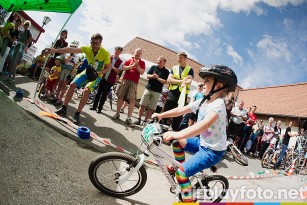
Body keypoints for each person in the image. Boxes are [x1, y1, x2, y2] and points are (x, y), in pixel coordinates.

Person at [152, 65, 237, 202]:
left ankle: (188, 200)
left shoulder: (218, 104)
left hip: (212, 151)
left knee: (182, 173)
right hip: (202, 143)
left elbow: (203, 125)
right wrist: (161, 115)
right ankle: (178, 166)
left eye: (207, 81)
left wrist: (178, 134)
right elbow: (182, 110)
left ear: (219, 85)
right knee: (176, 142)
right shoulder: (204, 100)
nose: (202, 84)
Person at [46, 33, 111, 124]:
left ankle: (77, 113)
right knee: (72, 85)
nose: (95, 45)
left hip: (97, 75)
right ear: (90, 42)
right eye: (93, 43)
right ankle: (63, 109)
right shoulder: (87, 48)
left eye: (97, 43)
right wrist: (55, 50)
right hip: (87, 71)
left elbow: (108, 68)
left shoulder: (105, 53)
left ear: (100, 43)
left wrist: (97, 73)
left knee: (86, 90)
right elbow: (71, 49)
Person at [112, 48, 145, 127]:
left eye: (140, 53)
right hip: (125, 80)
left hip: (134, 82)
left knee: (132, 100)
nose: (138, 54)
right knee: (120, 97)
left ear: (141, 55)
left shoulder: (142, 62)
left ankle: (129, 118)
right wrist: (132, 65)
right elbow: (123, 68)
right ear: (134, 52)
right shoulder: (129, 60)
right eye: (137, 52)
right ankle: (117, 113)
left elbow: (142, 72)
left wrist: (137, 66)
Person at [162, 52, 194, 131]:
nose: (179, 59)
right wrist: (182, 81)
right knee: (166, 111)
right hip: (172, 93)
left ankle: (174, 133)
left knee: (178, 114)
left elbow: (189, 81)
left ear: (186, 59)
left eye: (181, 58)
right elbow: (169, 80)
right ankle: (162, 129)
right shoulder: (174, 68)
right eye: (178, 58)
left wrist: (175, 80)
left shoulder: (190, 69)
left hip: (182, 95)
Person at [133, 56, 169, 125]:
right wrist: (152, 76)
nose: (159, 62)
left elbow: (165, 81)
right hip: (148, 89)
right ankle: (138, 119)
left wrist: (158, 78)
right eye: (158, 60)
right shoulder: (153, 67)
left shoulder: (166, 72)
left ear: (164, 63)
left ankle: (145, 121)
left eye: (161, 61)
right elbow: (147, 76)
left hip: (157, 92)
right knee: (142, 105)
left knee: (151, 108)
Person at [90, 46, 124, 113]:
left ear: (120, 53)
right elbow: (103, 65)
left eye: (119, 51)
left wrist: (112, 67)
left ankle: (100, 108)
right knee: (98, 92)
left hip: (110, 80)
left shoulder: (121, 62)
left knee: (104, 94)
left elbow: (118, 71)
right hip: (103, 77)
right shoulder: (109, 57)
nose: (117, 52)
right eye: (116, 50)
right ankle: (94, 106)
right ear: (114, 50)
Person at [52, 41, 80, 106]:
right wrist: (70, 56)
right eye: (71, 46)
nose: (72, 48)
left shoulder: (77, 57)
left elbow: (75, 66)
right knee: (60, 84)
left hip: (69, 71)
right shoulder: (66, 54)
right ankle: (56, 97)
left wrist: (71, 75)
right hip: (63, 69)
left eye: (74, 47)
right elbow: (64, 62)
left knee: (64, 86)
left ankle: (60, 99)